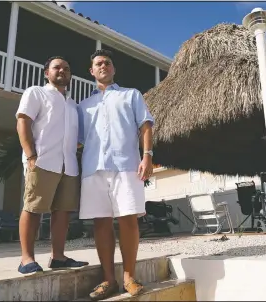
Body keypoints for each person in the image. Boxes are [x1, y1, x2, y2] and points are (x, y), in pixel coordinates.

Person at [77, 49, 154, 300]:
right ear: (92, 71)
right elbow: (77, 140)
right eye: (98, 63)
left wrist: (147, 156)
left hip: (126, 166)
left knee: (128, 219)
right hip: (92, 169)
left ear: (113, 69)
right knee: (101, 222)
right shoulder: (83, 106)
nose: (103, 66)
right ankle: (108, 279)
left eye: (107, 63)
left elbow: (145, 125)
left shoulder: (131, 95)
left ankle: (129, 277)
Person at [15, 56, 88, 275]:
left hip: (68, 165)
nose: (62, 71)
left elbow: (78, 136)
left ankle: (58, 257)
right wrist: (30, 156)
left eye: (66, 68)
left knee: (63, 212)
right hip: (42, 161)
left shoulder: (73, 105)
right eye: (57, 68)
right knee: (33, 208)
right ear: (47, 72)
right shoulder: (35, 92)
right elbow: (23, 122)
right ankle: (26, 259)